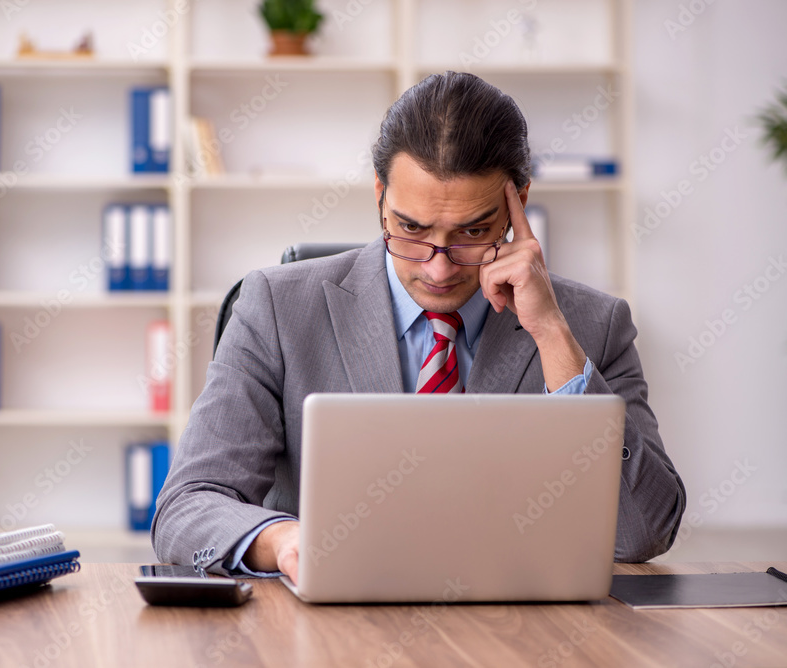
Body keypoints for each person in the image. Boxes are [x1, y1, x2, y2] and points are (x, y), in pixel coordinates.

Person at [151, 72, 685, 583]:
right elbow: (187, 506)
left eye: (472, 232)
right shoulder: (276, 308)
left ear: (517, 205)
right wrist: (286, 541)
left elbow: (646, 531)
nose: (439, 268)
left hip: (521, 631)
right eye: (411, 229)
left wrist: (551, 336)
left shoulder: (593, 325)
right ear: (380, 196)